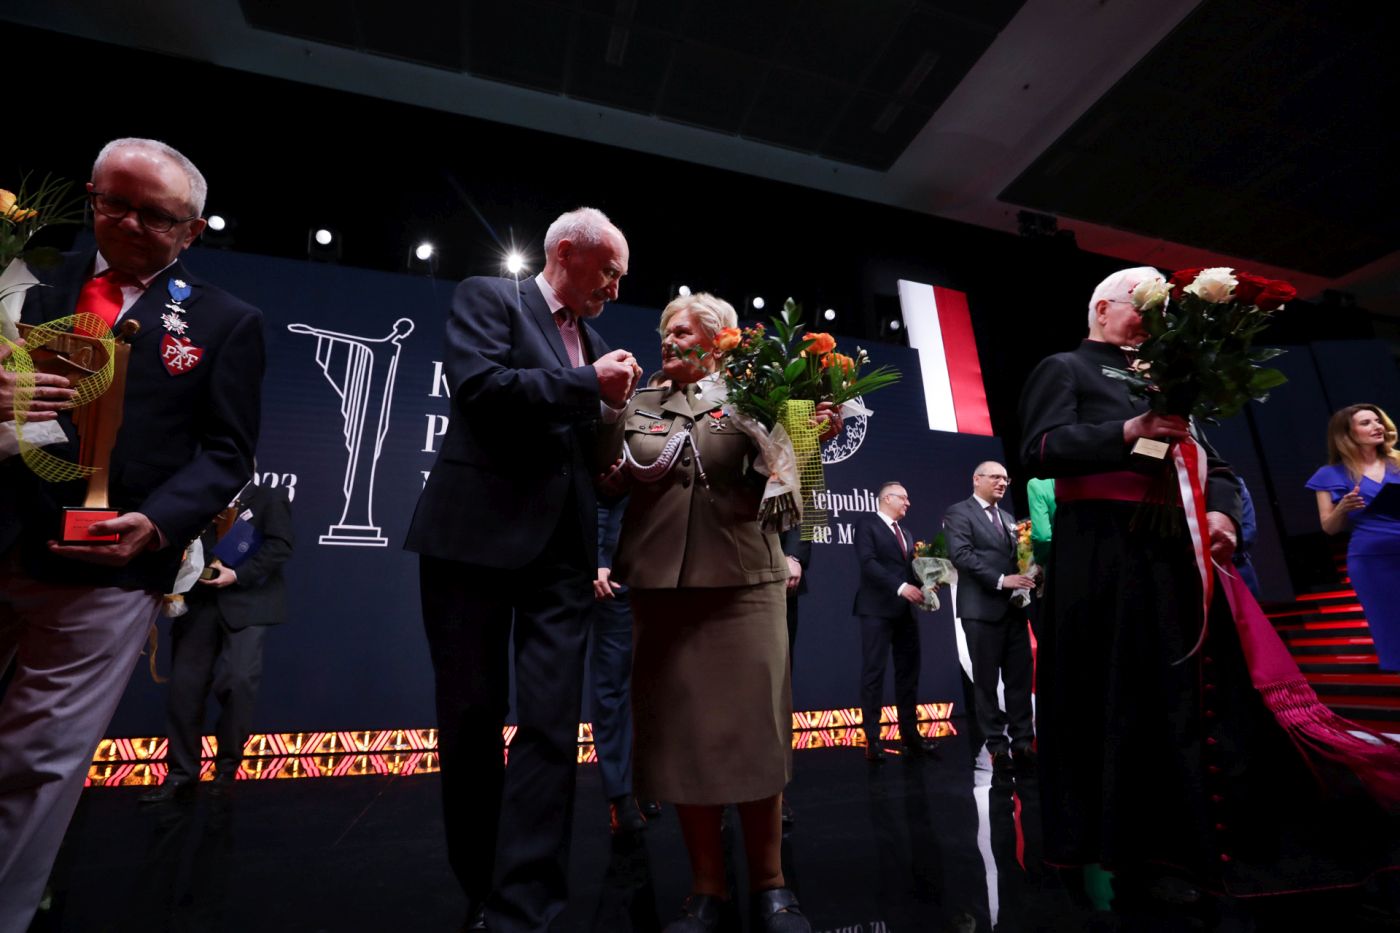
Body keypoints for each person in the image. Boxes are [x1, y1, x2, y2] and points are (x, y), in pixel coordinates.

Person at [1019, 266, 1397, 901]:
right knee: (1126, 696)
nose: (1154, 321)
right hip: (1108, 558)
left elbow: (1213, 466)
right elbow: (1039, 447)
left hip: (1178, 552)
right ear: (1102, 309)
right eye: (1142, 308)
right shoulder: (1066, 367)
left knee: (1196, 691)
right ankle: (1138, 846)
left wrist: (1220, 513)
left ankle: (1206, 834)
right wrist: (1127, 431)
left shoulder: (1166, 377)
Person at [0, 137, 264, 932]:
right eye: (114, 202)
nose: (129, 222)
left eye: (156, 215)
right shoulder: (20, 280)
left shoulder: (225, 321)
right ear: (90, 193)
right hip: (5, 528)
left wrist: (157, 523)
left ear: (193, 229)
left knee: (38, 761)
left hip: (108, 568)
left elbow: (226, 453)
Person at [403, 207, 640, 933]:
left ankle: (526, 905)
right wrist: (588, 383)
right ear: (566, 252)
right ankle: (481, 887)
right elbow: (480, 388)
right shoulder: (489, 297)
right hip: (471, 541)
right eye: (609, 272)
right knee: (472, 720)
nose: (615, 289)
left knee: (551, 727)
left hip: (561, 557)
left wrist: (613, 471)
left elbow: (578, 454)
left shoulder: (593, 343)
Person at [605, 292, 839, 933]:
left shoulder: (759, 399)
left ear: (718, 340)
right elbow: (605, 481)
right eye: (664, 330)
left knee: (755, 734)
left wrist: (808, 439)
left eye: (682, 331)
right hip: (663, 593)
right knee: (683, 742)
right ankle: (706, 889)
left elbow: (804, 496)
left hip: (744, 587)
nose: (667, 339)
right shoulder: (637, 405)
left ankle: (772, 885)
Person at [140, 480, 295, 803]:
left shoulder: (269, 497)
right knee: (184, 691)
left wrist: (237, 575)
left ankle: (226, 770)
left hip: (248, 604)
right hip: (197, 605)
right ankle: (181, 775)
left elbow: (280, 546)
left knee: (238, 683)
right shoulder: (199, 496)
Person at [943, 461, 1035, 775]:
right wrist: (1001, 580)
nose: (1002, 483)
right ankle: (997, 746)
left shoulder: (1008, 518)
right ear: (976, 479)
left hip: (1013, 611)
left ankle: (1023, 742)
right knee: (985, 683)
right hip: (981, 612)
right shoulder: (959, 513)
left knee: (1019, 681)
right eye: (995, 477)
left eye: (1006, 479)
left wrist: (1030, 570)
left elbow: (1018, 559)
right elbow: (961, 555)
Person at [852, 482, 942, 762]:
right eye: (903, 497)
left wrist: (928, 582)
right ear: (886, 498)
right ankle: (873, 739)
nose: (908, 503)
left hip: (905, 613)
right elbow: (868, 563)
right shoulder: (867, 525)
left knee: (908, 675)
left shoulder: (906, 533)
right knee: (874, 674)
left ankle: (910, 736)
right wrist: (902, 587)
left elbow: (909, 571)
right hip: (876, 610)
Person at [1307, 403, 1400, 672]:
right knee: (1391, 626)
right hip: (1373, 562)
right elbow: (1329, 527)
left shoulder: (1398, 461)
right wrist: (1342, 508)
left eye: (1378, 420)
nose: (1377, 426)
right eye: (1366, 423)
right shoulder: (1329, 475)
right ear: (1347, 434)